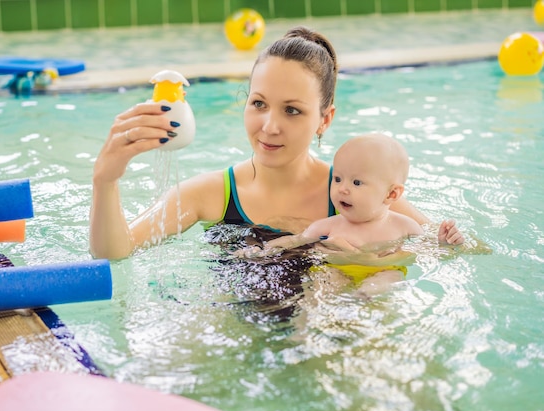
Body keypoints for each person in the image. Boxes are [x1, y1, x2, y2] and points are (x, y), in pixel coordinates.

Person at [89, 26, 464, 260]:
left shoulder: (357, 190)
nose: (269, 127)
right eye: (259, 104)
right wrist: (105, 180)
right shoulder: (211, 194)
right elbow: (115, 251)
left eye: (293, 111)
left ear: (325, 119)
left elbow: (450, 247)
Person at [236, 132, 441, 295]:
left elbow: (430, 251)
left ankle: (365, 320)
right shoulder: (327, 226)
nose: (342, 189)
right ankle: (308, 332)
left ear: (391, 193)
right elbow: (292, 241)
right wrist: (259, 251)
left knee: (385, 283)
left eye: (356, 182)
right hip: (336, 270)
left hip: (383, 272)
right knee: (319, 291)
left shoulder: (404, 226)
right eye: (337, 179)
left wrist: (448, 242)